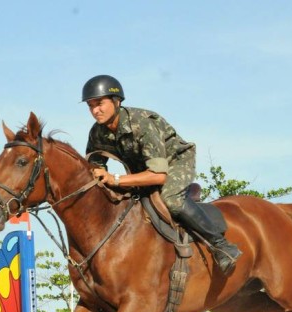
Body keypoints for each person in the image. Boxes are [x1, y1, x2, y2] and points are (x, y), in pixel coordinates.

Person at [82, 75, 241, 275]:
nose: (95, 110)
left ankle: (222, 246)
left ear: (116, 101)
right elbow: (94, 167)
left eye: (100, 103)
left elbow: (158, 176)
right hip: (143, 171)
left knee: (171, 199)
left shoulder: (143, 123)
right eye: (90, 106)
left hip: (175, 162)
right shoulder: (97, 133)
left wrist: (115, 179)